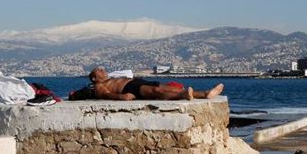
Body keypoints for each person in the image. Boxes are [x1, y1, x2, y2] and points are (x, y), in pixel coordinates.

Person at [88, 67, 224, 101]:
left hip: (136, 82)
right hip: (129, 88)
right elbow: (105, 94)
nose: (102, 70)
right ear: (94, 78)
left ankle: (205, 93)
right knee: (156, 91)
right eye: (98, 70)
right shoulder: (99, 86)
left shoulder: (111, 76)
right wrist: (121, 97)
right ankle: (184, 94)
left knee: (166, 87)